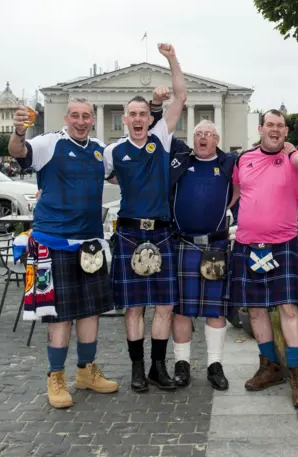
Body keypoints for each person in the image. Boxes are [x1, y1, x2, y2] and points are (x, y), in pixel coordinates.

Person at [8, 99, 118, 409]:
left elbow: (122, 173)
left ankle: (86, 371)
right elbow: (18, 152)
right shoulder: (48, 143)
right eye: (75, 115)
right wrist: (19, 130)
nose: (81, 121)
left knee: (90, 311)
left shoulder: (99, 150)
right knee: (60, 315)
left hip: (90, 245)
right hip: (52, 240)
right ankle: (55, 376)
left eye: (86, 116)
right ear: (66, 117)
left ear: (93, 120)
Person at [230, 99, 298, 408]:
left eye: (280, 126)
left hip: (282, 245)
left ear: (286, 132)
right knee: (255, 309)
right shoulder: (243, 159)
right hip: (246, 244)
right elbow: (233, 194)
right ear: (260, 129)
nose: (274, 130)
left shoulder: (293, 160)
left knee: (287, 308)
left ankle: (297, 374)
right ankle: (270, 365)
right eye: (269, 125)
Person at [103, 43, 186, 393]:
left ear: (149, 117)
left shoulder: (161, 138)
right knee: (134, 306)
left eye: (143, 114)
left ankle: (157, 367)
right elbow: (100, 179)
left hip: (162, 232)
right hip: (128, 233)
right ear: (125, 119)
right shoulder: (112, 152)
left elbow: (180, 96)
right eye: (132, 115)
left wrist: (170, 59)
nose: (138, 119)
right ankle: (137, 369)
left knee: (165, 304)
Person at [157, 109, 238, 391]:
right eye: (198, 134)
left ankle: (215, 365)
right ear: (193, 139)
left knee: (215, 310)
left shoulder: (229, 163)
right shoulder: (180, 160)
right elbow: (160, 133)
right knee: (182, 310)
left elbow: (242, 185)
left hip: (215, 244)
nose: (203, 138)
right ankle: (182, 364)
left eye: (208, 134)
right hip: (183, 243)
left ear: (217, 139)